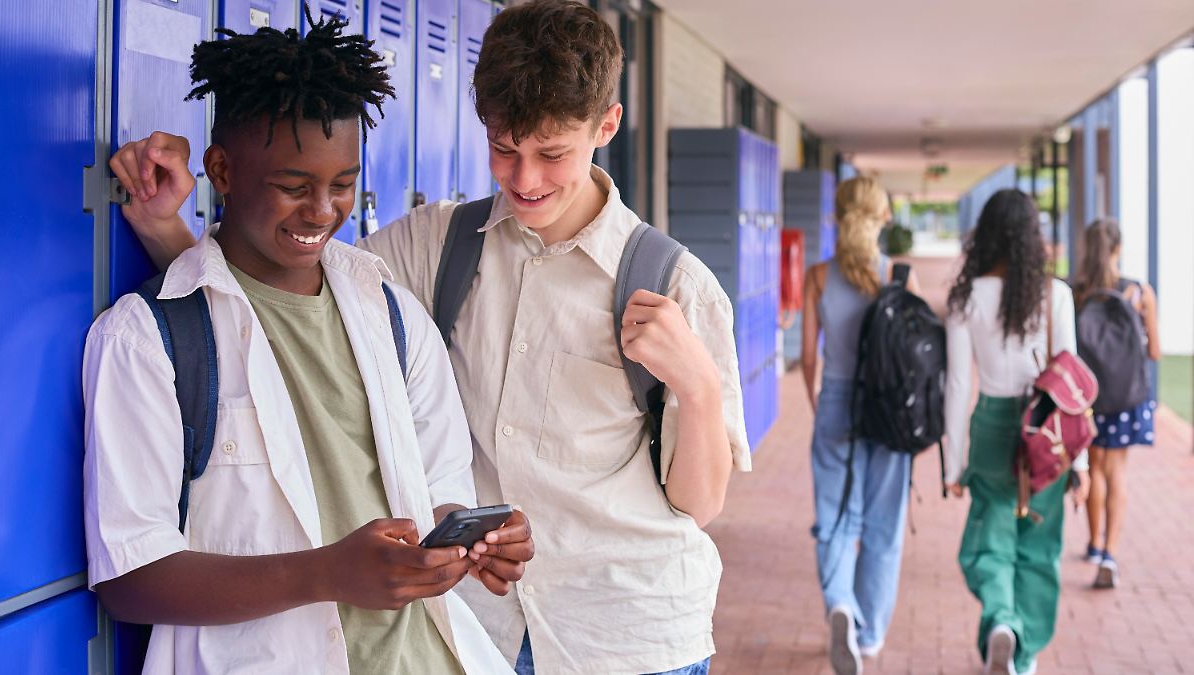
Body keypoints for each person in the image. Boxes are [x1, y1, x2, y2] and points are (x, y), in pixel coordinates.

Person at [109, 2, 750, 673]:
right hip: (489, 631)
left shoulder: (676, 286)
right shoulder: (436, 244)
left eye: (551, 154)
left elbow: (698, 504)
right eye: (504, 148)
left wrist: (700, 386)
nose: (525, 179)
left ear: (607, 125)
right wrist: (166, 228)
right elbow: (282, 291)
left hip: (628, 637)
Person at [89, 14, 532, 673]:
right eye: (294, 186)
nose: (323, 211)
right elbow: (130, 576)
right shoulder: (146, 337)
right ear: (223, 170)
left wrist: (470, 537)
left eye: (343, 184)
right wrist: (326, 572)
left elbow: (437, 487)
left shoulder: (391, 313)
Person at [943, 189, 1090, 675]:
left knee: (991, 537)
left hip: (990, 425)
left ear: (985, 235)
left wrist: (954, 464)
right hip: (1046, 432)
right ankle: (1021, 654)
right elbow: (1070, 387)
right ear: (1033, 237)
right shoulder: (1057, 296)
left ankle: (1002, 622)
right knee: (1040, 545)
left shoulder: (966, 297)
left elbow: (958, 385)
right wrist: (1081, 464)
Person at [800, 177, 920, 675]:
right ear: (882, 218)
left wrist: (821, 404)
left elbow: (809, 359)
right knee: (883, 525)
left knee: (835, 519)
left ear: (839, 215)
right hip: (890, 414)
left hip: (837, 406)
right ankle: (867, 633)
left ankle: (841, 606)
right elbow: (919, 359)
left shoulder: (819, 277)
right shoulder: (898, 275)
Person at [1073, 218, 1160, 589]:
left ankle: (1092, 543)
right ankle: (1110, 552)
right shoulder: (1139, 292)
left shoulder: (1076, 292)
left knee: (1093, 468)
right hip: (1126, 399)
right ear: (1118, 249)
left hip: (1087, 398)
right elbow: (1154, 350)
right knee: (1117, 473)